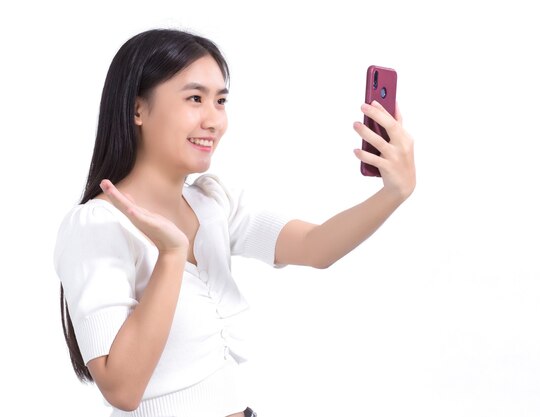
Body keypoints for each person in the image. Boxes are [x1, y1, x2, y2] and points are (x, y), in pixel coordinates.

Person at [53, 28, 415, 417]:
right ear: (137, 109)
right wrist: (172, 256)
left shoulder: (212, 201)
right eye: (195, 98)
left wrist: (393, 193)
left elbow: (316, 247)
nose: (214, 120)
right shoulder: (96, 226)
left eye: (220, 101)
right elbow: (122, 389)